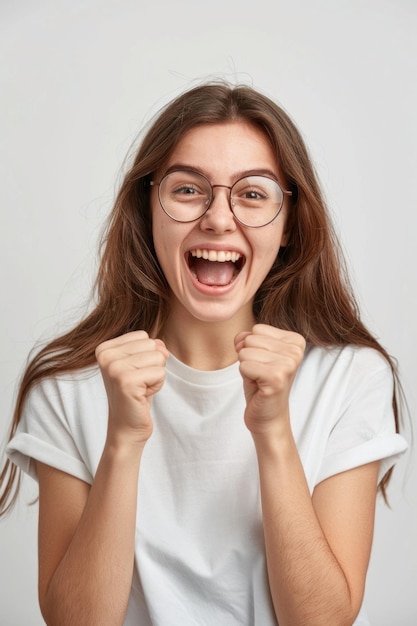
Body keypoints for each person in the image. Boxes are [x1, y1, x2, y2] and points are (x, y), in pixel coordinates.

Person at [0, 81, 408, 626]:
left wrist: (274, 433)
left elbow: (321, 621)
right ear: (150, 209)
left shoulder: (350, 377)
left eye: (253, 193)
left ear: (289, 224)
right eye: (189, 190)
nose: (218, 218)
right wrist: (122, 440)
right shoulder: (68, 386)